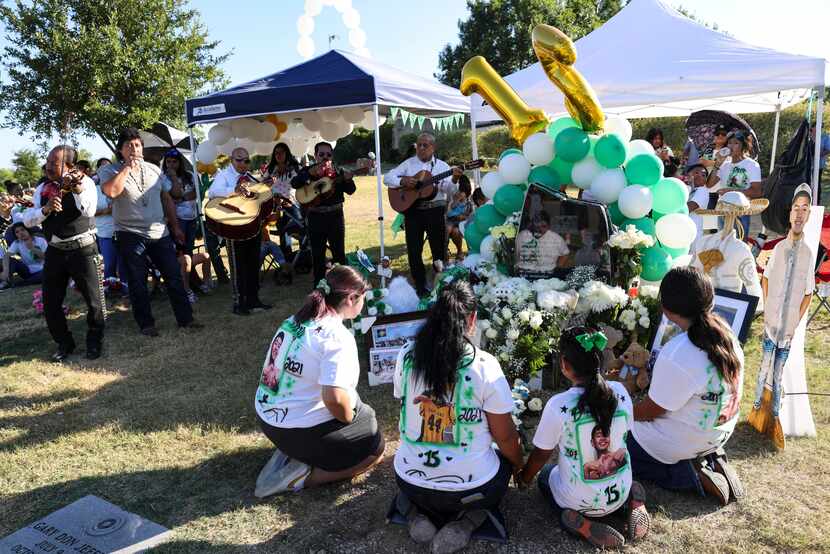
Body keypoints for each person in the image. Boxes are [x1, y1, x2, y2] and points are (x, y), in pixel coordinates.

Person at [392, 280, 522, 552]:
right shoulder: (484, 365)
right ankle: (469, 521)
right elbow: (506, 436)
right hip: (470, 492)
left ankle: (416, 515)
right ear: (472, 319)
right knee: (503, 462)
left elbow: (403, 405)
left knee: (414, 487)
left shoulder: (406, 355)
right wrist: (518, 464)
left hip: (410, 481)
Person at [254, 266, 384, 497]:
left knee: (358, 407)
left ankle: (293, 452)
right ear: (353, 298)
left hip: (267, 419)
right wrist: (349, 419)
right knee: (375, 446)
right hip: (294, 428)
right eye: (363, 297)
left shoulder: (294, 320)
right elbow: (334, 399)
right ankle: (300, 479)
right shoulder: (337, 337)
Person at [519, 327, 649, 548]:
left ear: (564, 365)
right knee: (616, 480)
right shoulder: (620, 390)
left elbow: (541, 455)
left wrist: (524, 479)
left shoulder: (560, 405)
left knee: (546, 476)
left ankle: (582, 524)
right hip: (619, 493)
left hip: (579, 502)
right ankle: (632, 501)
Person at [630, 266, 745, 506]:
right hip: (720, 432)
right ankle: (709, 458)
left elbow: (652, 411)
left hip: (685, 440)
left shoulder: (679, 352)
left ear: (667, 308)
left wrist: (622, 412)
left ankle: (687, 475)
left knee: (618, 448)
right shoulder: (726, 333)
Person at [99, 128, 199, 336]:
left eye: (137, 145)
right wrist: (127, 168)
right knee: (138, 281)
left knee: (173, 276)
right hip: (129, 233)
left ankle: (186, 319)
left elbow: (168, 197)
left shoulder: (154, 169)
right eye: (128, 146)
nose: (134, 149)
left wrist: (176, 226)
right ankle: (146, 324)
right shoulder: (110, 171)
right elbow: (112, 192)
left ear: (142, 147)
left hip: (159, 232)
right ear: (120, 150)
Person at [21, 145, 105, 360]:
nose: (48, 167)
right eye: (48, 162)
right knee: (50, 303)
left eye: (54, 163)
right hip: (55, 251)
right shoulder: (42, 188)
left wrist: (75, 190)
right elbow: (28, 219)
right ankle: (64, 343)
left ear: (69, 166)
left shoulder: (84, 182)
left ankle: (94, 342)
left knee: (94, 302)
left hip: (83, 249)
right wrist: (45, 209)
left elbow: (88, 210)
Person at [749, 184, 815, 449]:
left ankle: (773, 416)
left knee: (777, 373)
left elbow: (808, 293)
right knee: (764, 367)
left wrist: (795, 321)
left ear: (809, 215)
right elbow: (765, 278)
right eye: (796, 209)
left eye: (805, 210)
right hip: (771, 323)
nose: (799, 215)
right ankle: (756, 411)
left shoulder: (809, 255)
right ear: (790, 214)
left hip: (787, 328)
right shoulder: (778, 249)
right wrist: (769, 310)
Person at [384, 133, 463, 297]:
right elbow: (388, 178)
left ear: (433, 147)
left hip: (435, 210)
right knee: (414, 250)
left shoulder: (442, 166)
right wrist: (402, 182)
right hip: (414, 211)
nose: (420, 148)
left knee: (438, 250)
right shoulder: (408, 164)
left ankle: (441, 285)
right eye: (418, 145)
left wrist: (454, 180)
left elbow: (450, 191)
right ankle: (420, 287)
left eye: (425, 145)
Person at [208, 147, 271, 315]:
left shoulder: (250, 177)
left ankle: (253, 299)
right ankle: (239, 303)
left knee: (252, 263)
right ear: (231, 159)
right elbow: (213, 192)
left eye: (246, 160)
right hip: (233, 226)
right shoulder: (224, 175)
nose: (243, 163)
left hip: (252, 225)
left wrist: (264, 189)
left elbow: (254, 198)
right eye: (239, 160)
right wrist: (233, 191)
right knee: (238, 266)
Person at [291, 142, 357, 286]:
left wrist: (348, 179)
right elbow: (294, 183)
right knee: (317, 254)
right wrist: (309, 174)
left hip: (335, 216)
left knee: (339, 253)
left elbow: (351, 190)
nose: (325, 157)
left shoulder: (338, 171)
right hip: (315, 217)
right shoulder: (308, 170)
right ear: (315, 156)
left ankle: (341, 285)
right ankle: (319, 286)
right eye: (321, 154)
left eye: (329, 154)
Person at [708, 130, 762, 239]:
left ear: (744, 146)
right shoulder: (724, 165)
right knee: (722, 244)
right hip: (723, 210)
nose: (731, 146)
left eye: (736, 143)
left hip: (741, 212)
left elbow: (757, 191)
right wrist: (717, 164)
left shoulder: (752, 165)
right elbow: (709, 184)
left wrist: (730, 191)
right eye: (729, 143)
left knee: (738, 244)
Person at [94, 163, 128, 296]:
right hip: (105, 232)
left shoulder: (121, 185)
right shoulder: (95, 190)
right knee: (109, 264)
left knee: (123, 263)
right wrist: (106, 211)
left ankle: (125, 287)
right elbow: (89, 213)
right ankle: (110, 289)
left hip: (123, 229)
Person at [264, 142, 303, 259]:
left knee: (300, 229)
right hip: (276, 206)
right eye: (276, 153)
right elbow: (262, 185)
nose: (278, 155)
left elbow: (302, 184)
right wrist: (267, 183)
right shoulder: (271, 170)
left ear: (287, 153)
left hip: (292, 204)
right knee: (283, 232)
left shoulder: (295, 167)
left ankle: (303, 257)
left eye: (281, 152)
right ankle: (288, 259)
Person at [161, 149, 198, 255]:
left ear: (180, 162)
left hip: (192, 217)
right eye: (168, 161)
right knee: (180, 249)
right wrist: (173, 178)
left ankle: (190, 270)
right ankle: (183, 270)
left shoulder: (189, 175)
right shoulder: (164, 178)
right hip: (177, 218)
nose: (171, 164)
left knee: (189, 248)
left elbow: (195, 194)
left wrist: (181, 199)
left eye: (174, 161)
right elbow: (175, 194)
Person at [0, 223, 47, 288]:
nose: (21, 233)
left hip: (42, 270)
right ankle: (7, 281)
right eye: (17, 232)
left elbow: (47, 258)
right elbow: (6, 256)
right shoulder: (17, 243)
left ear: (28, 230)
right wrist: (5, 270)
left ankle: (22, 283)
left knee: (46, 274)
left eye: (22, 230)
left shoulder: (40, 240)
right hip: (27, 270)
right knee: (12, 260)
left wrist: (32, 248)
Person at [686, 163, 718, 239]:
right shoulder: (685, 188)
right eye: (696, 173)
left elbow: (688, 208)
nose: (700, 176)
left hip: (692, 235)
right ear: (688, 175)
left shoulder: (702, 191)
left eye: (703, 175)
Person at [446, 175, 473, 260]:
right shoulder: (454, 198)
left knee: (456, 231)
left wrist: (464, 217)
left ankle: (461, 251)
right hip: (451, 219)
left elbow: (470, 215)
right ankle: (444, 250)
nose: (459, 194)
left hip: (461, 222)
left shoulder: (468, 203)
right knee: (448, 229)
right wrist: (456, 200)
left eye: (461, 191)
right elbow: (450, 211)